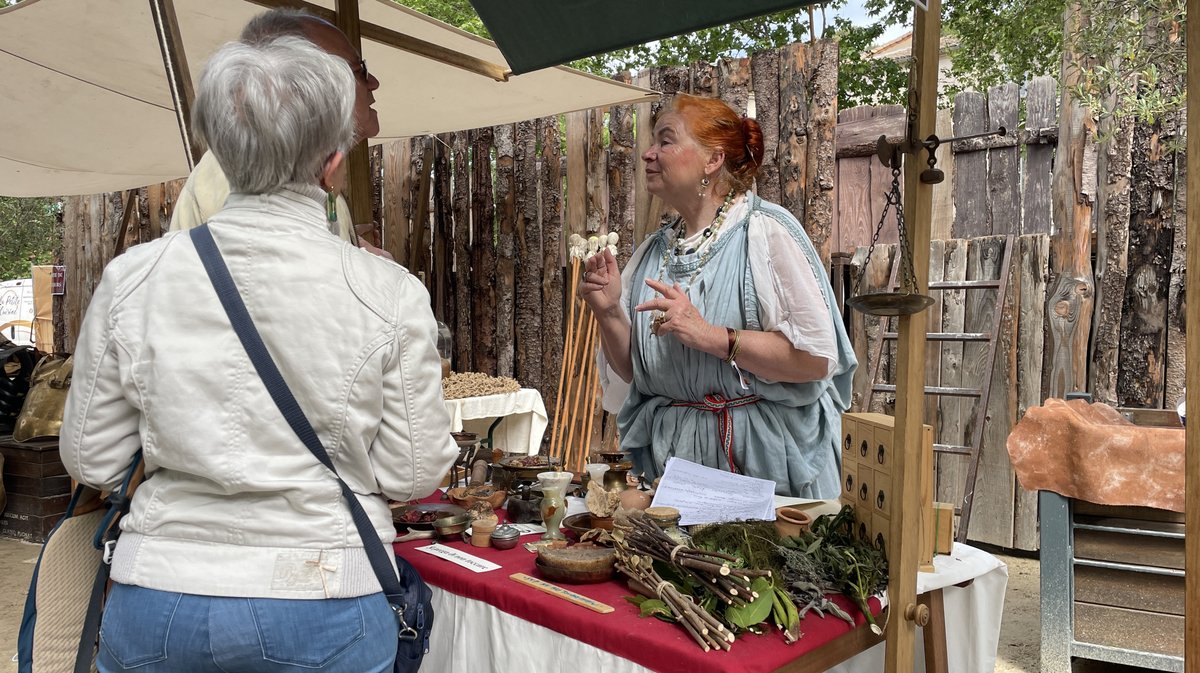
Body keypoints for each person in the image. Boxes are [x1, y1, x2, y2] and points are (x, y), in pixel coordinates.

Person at [62, 34, 456, 673]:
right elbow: (413, 473)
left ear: (218, 150)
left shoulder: (134, 278)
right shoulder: (388, 291)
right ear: (333, 161)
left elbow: (92, 457)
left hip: (161, 593)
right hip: (325, 591)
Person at [583, 94, 857, 498]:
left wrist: (711, 336)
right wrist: (608, 311)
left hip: (764, 471)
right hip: (678, 473)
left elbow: (816, 360)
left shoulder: (765, 233)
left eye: (665, 141)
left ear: (713, 160)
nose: (648, 153)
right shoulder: (653, 253)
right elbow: (633, 372)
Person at [170, 8, 391, 258]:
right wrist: (369, 274)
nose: (373, 82)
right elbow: (269, 275)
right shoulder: (240, 176)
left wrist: (348, 249)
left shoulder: (290, 170)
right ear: (305, 82)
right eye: (359, 70)